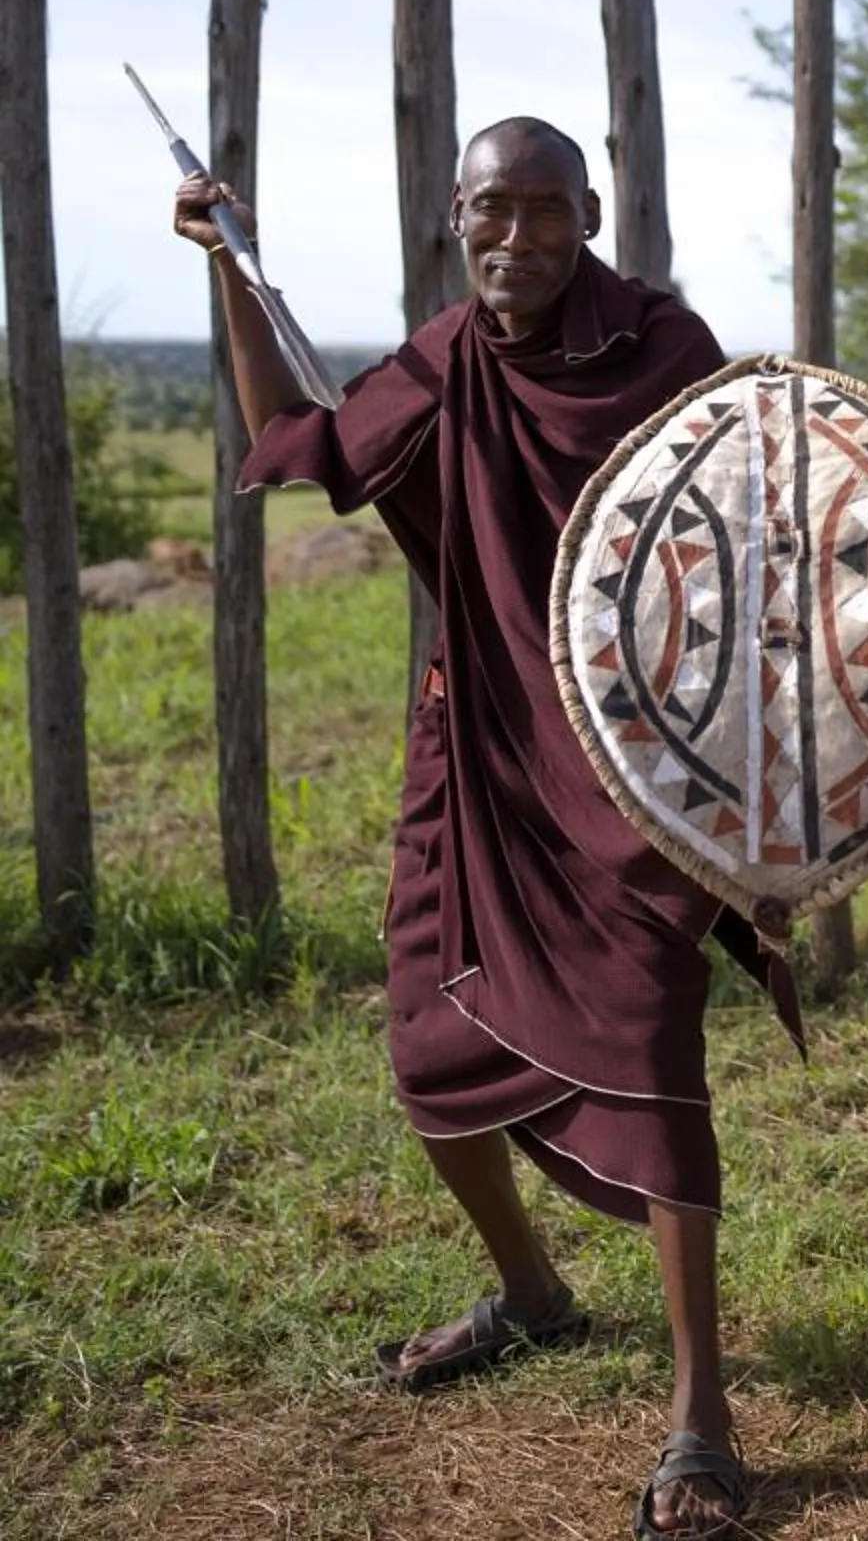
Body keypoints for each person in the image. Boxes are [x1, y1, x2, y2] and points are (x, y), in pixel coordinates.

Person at [177, 118, 796, 1541]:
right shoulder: (450, 359)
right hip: (481, 754)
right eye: (486, 213)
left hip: (638, 766)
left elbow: (746, 554)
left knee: (649, 1051)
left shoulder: (664, 353)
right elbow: (304, 445)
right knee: (429, 1045)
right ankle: (530, 1290)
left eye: (541, 212)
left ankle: (702, 1412)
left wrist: (764, 802)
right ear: (456, 218)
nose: (513, 240)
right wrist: (231, 266)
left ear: (592, 213)